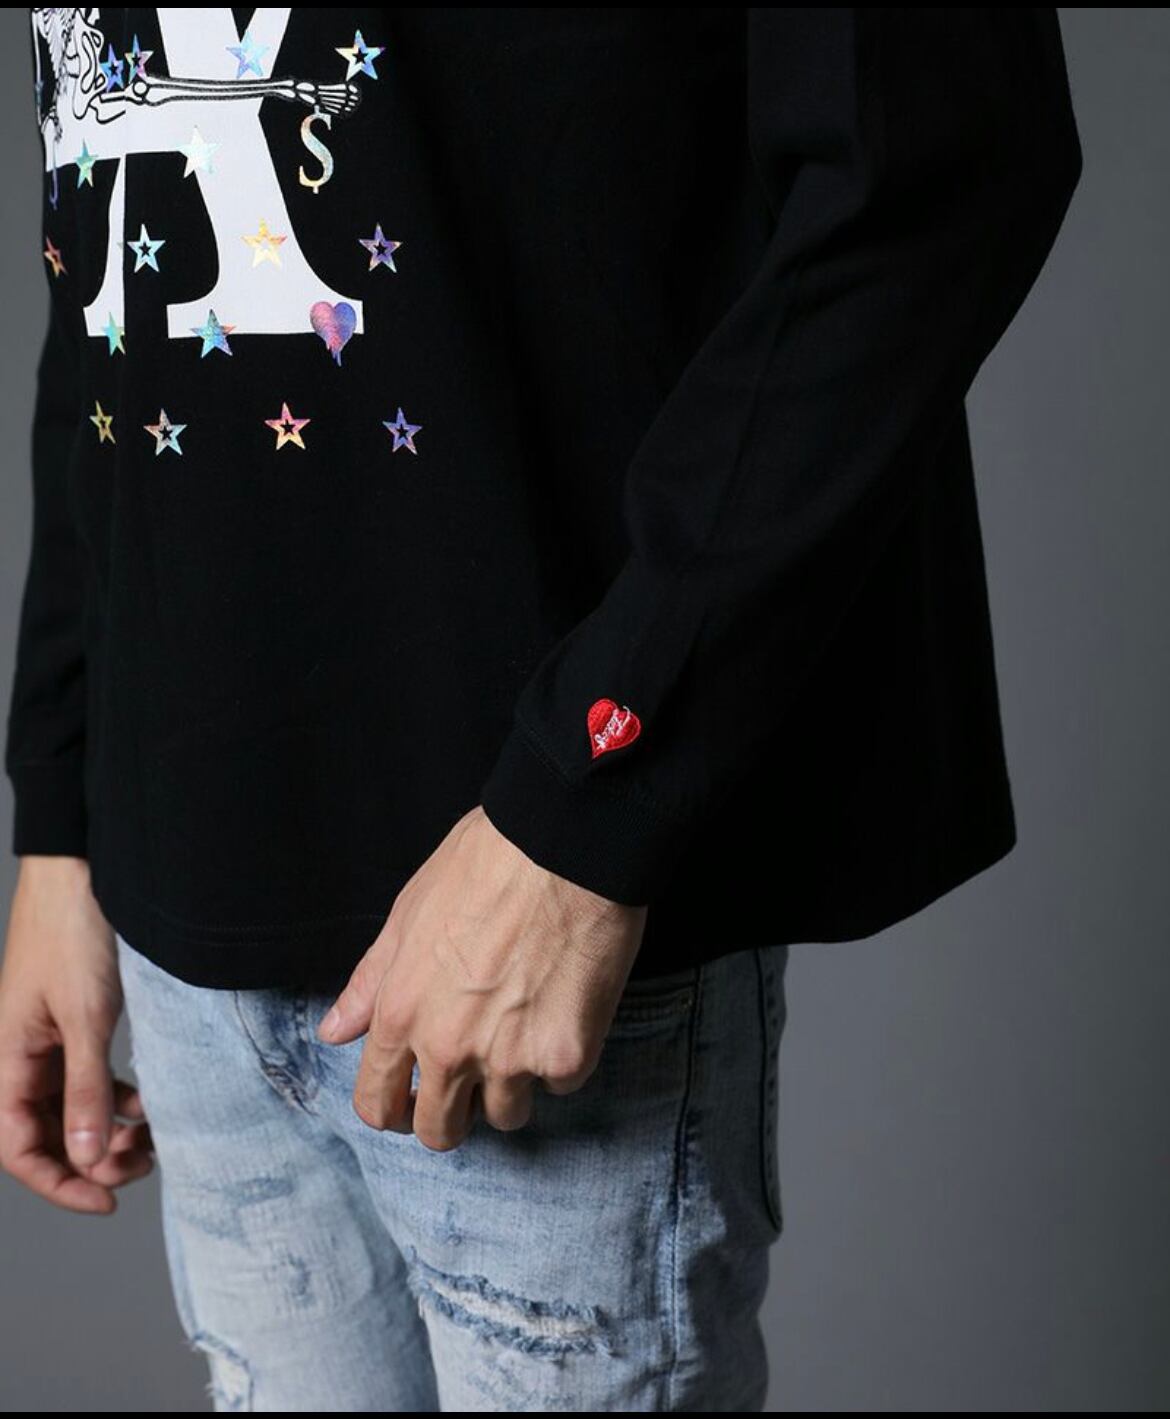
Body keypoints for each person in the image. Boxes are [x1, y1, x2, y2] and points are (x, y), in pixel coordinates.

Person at [0, 8, 1082, 1412]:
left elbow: (937, 162)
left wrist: (586, 799)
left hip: (528, 925)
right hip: (180, 920)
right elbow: (98, 255)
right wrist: (63, 813)